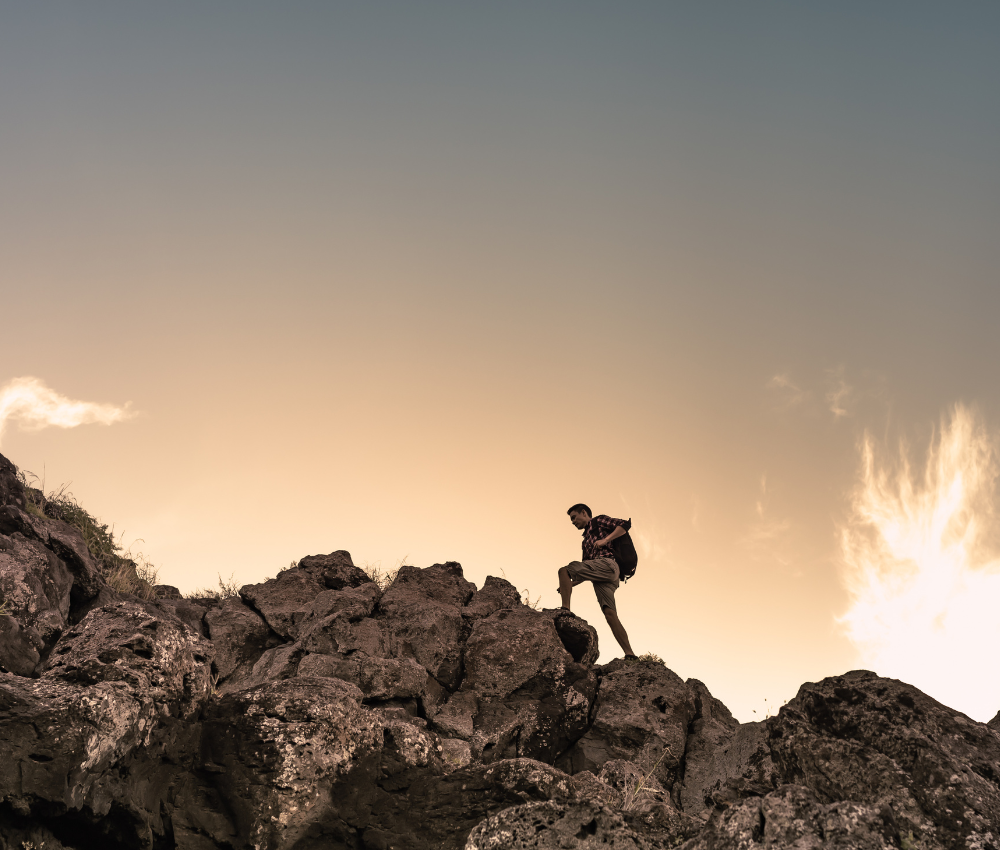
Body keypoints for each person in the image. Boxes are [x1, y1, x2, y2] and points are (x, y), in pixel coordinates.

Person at [559, 503, 637, 660]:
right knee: (610, 614)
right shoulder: (585, 541)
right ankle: (630, 654)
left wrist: (605, 540)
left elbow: (624, 525)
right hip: (603, 577)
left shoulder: (598, 521)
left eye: (574, 517)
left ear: (584, 513)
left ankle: (564, 611)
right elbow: (585, 571)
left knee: (563, 570)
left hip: (608, 564)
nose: (573, 522)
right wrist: (569, 583)